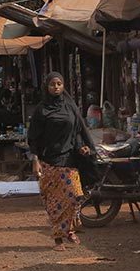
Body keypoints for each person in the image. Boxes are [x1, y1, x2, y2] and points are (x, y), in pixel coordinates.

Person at [27, 72, 96, 251]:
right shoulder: (41, 110)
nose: (56, 87)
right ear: (47, 87)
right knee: (54, 201)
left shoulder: (70, 107)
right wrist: (35, 160)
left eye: (59, 84)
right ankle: (58, 239)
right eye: (52, 84)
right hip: (48, 161)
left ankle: (69, 229)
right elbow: (33, 138)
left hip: (69, 158)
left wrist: (82, 146)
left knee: (75, 195)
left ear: (63, 85)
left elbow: (77, 131)